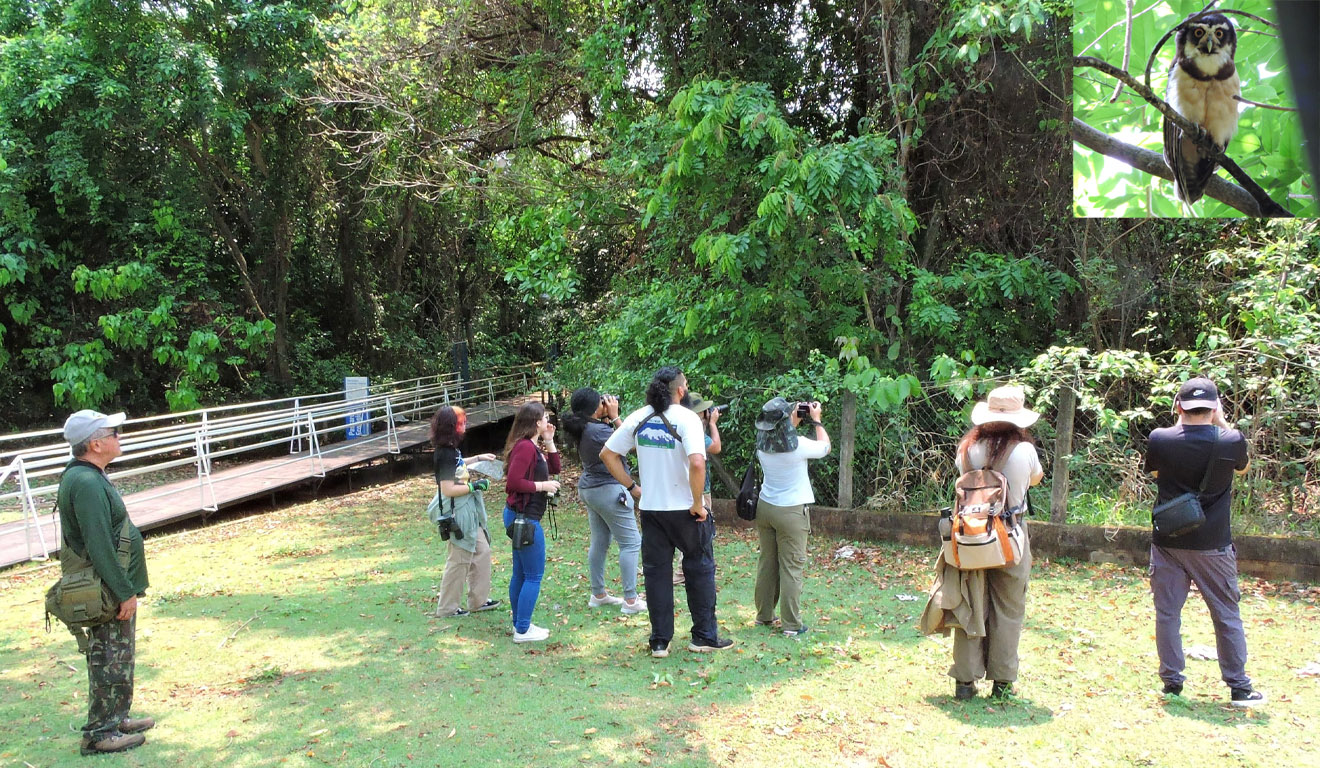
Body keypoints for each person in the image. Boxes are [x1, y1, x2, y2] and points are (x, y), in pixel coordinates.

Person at [1144, 377, 1264, 707]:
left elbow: (1156, 474)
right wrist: (1221, 423)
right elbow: (1243, 469)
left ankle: (1172, 683)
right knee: (1226, 613)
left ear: (1178, 407)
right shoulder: (1231, 440)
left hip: (1168, 540)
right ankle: (1239, 687)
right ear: (1214, 409)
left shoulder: (1160, 439)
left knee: (1167, 613)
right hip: (1213, 543)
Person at [600, 366, 734, 657]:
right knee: (699, 570)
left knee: (657, 574)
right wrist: (698, 503)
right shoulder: (687, 418)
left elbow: (608, 454)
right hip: (686, 511)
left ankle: (660, 640)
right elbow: (698, 463)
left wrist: (634, 487)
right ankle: (703, 636)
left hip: (652, 510)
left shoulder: (638, 417)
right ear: (681, 390)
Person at [919, 385, 1043, 700]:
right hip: (1010, 538)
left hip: (970, 537)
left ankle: (964, 682)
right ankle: (1002, 683)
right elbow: (1035, 479)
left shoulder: (966, 449)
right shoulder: (1024, 451)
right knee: (1009, 609)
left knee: (971, 605)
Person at [56, 410, 153, 755]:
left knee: (119, 654)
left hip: (107, 586)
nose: (119, 437)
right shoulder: (84, 482)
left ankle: (116, 717)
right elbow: (98, 545)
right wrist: (123, 591)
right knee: (108, 656)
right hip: (103, 588)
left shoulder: (89, 476)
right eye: (113, 433)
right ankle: (99, 733)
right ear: (95, 443)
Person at [562, 388, 646, 615]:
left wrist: (608, 419)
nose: (606, 404)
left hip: (590, 488)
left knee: (600, 540)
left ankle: (598, 594)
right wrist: (617, 417)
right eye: (602, 402)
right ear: (595, 408)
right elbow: (635, 445)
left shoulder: (585, 428)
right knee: (631, 542)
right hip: (608, 490)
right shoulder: (598, 430)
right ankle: (631, 600)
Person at [752, 397, 831, 637]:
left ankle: (764, 616)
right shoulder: (799, 445)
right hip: (792, 512)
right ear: (786, 420)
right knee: (791, 567)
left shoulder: (761, 443)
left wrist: (790, 417)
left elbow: (780, 435)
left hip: (766, 508)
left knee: (767, 563)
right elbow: (825, 447)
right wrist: (816, 421)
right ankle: (791, 624)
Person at [431, 406, 501, 618]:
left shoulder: (451, 450)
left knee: (482, 551)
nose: (465, 426)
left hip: (468, 510)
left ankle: (478, 601)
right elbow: (448, 489)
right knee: (459, 559)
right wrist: (474, 486)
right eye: (462, 422)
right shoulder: (444, 453)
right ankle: (447, 608)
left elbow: (459, 464)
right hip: (457, 512)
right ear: (452, 427)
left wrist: (478, 458)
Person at [501, 402, 561, 643]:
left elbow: (555, 468)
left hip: (523, 515)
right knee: (533, 575)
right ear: (536, 422)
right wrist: (542, 486)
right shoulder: (525, 448)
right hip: (523, 517)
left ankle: (520, 624)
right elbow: (513, 483)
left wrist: (549, 440)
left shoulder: (533, 446)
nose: (548, 421)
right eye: (545, 418)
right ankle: (523, 630)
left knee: (521, 572)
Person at [673, 391, 722, 586]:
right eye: (703, 411)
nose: (706, 413)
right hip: (699, 488)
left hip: (681, 486)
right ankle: (683, 571)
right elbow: (716, 446)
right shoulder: (694, 431)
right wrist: (713, 424)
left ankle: (694, 567)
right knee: (701, 529)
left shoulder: (677, 426)